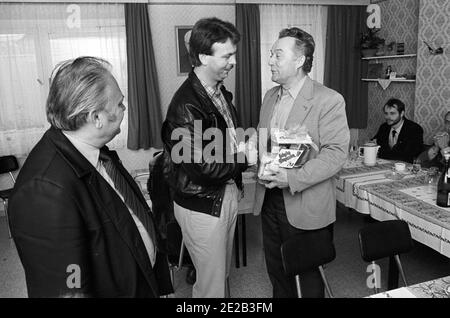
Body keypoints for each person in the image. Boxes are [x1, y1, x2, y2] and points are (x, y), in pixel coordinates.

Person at [9, 57, 173, 298]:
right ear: (96, 118)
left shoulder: (95, 151)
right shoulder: (43, 191)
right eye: (119, 104)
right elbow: (67, 287)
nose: (124, 109)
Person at [253, 27, 350, 298]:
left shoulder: (328, 100)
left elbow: (335, 154)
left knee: (307, 279)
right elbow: (268, 143)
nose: (270, 60)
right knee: (277, 270)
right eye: (270, 54)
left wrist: (291, 178)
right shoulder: (270, 96)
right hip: (270, 198)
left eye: (277, 55)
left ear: (299, 60)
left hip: (305, 202)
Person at [161, 17, 248, 298]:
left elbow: (226, 141)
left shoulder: (219, 93)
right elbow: (202, 166)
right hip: (202, 203)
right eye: (227, 56)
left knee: (218, 277)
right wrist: (247, 156)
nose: (233, 61)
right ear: (202, 57)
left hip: (224, 192)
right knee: (211, 286)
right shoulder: (185, 105)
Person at [372, 98, 424, 163]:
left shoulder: (414, 129)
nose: (388, 117)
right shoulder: (384, 127)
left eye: (392, 113)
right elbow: (373, 142)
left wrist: (380, 153)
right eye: (386, 113)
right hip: (384, 164)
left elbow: (407, 155)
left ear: (402, 113)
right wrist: (371, 145)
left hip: (404, 167)